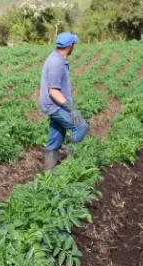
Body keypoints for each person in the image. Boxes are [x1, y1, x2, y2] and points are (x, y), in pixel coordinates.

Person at [38, 31, 88, 171]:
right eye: (74, 44)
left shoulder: (58, 59)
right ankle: (72, 166)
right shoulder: (56, 63)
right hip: (55, 106)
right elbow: (53, 91)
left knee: (56, 136)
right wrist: (71, 109)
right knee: (80, 126)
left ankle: (49, 173)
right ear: (70, 45)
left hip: (57, 105)